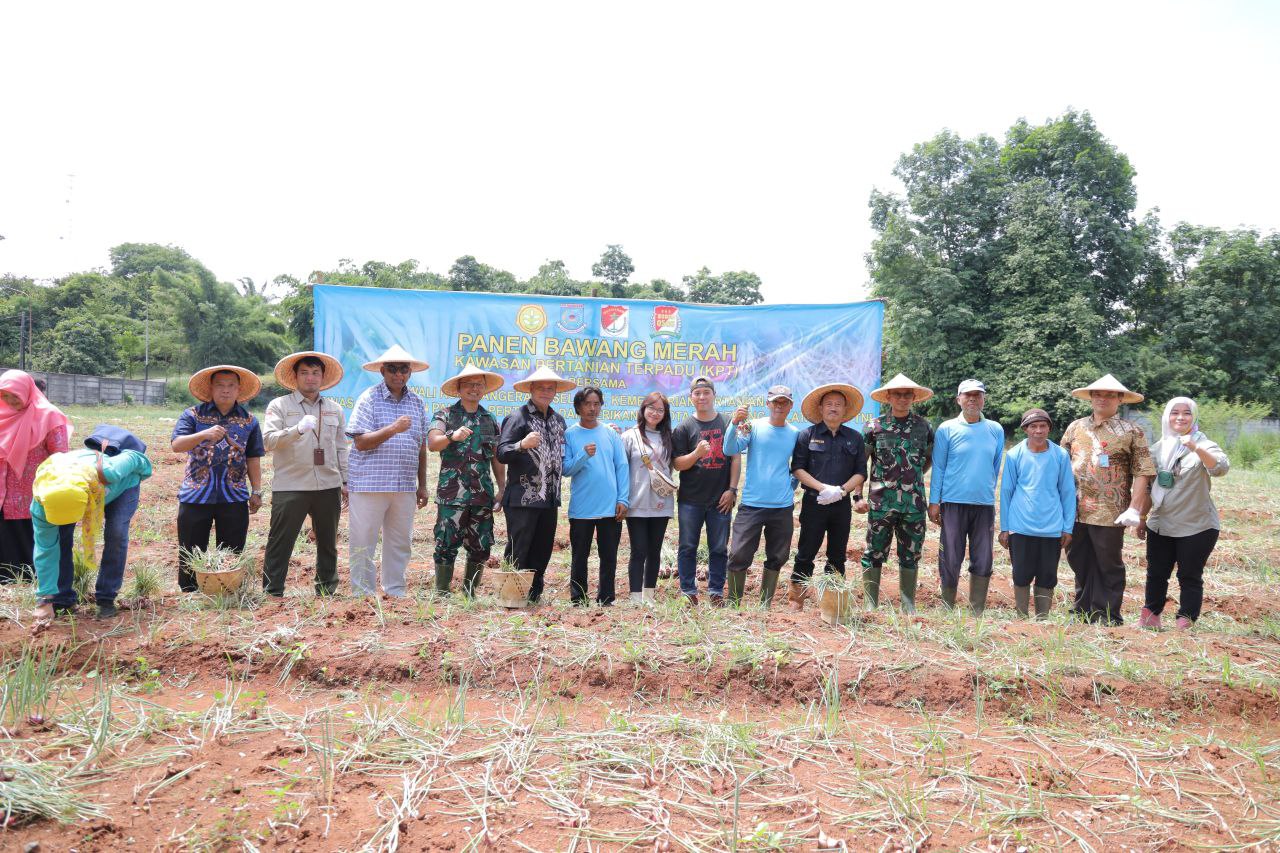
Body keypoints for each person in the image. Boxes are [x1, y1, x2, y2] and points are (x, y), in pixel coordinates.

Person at [30, 426, 152, 627]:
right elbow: (45, 550)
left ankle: (106, 597)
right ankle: (61, 599)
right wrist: (45, 600)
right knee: (60, 538)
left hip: (120, 485)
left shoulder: (110, 471)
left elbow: (135, 456)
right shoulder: (41, 502)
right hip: (72, 489)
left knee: (116, 532)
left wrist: (141, 475)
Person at [1060, 374, 1156, 625]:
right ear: (1091, 398)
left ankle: (1108, 614)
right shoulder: (1075, 427)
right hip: (1076, 507)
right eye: (1098, 394)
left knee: (1108, 561)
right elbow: (1059, 465)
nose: (1103, 398)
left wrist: (1136, 509)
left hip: (1111, 509)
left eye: (1110, 394)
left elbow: (1143, 472)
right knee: (1078, 558)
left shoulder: (1132, 431)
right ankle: (1082, 609)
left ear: (1120, 399)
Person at [345, 345, 430, 598]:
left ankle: (395, 592)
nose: (398, 374)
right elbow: (360, 442)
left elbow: (421, 447)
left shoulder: (417, 402)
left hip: (404, 485)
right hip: (370, 483)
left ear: (410, 373)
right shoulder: (369, 398)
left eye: (403, 369)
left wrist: (422, 484)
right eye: (392, 369)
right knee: (363, 541)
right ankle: (362, 594)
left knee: (400, 542)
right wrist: (393, 428)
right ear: (382, 371)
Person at [261, 351, 349, 598]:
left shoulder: (334, 409)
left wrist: (345, 481)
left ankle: (326, 591)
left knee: (328, 542)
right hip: (291, 484)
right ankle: (272, 592)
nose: (310, 378)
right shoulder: (279, 405)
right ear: (295, 377)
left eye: (315, 373)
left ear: (322, 377)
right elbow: (268, 441)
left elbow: (342, 447)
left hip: (328, 484)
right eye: (305, 373)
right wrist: (296, 430)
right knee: (281, 541)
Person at [171, 365, 264, 593]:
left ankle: (228, 592)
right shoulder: (193, 415)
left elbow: (253, 458)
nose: (225, 391)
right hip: (195, 494)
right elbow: (176, 445)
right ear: (211, 388)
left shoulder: (250, 421)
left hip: (233, 495)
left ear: (239, 389)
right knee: (191, 550)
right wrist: (203, 434)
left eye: (231, 386)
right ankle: (191, 593)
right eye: (220, 385)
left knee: (232, 551)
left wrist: (257, 491)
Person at [1140, 396, 1230, 630]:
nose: (1180, 417)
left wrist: (1195, 448)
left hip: (1196, 524)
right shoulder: (1157, 450)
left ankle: (1185, 621)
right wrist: (1141, 518)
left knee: (1189, 575)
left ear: (1194, 417)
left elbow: (1220, 468)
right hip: (1161, 522)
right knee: (1156, 573)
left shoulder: (1203, 443)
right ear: (1167, 417)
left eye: (1186, 413)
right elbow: (1150, 488)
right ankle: (1150, 617)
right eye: (1174, 412)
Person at [427, 363, 506, 597]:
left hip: (482, 494)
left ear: (484, 389)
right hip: (452, 495)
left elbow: (497, 457)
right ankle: (441, 592)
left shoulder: (489, 419)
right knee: (446, 544)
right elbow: (432, 443)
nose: (474, 389)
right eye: (469, 385)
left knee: (481, 545)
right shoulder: (445, 415)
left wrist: (502, 488)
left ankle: (469, 593)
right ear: (459, 389)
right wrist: (452, 435)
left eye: (478, 385)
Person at [498, 366, 574, 603]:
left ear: (555, 392)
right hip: (522, 497)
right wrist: (521, 445)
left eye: (550, 388)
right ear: (530, 389)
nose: (545, 391)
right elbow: (501, 452)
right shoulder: (518, 417)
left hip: (550, 498)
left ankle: (533, 597)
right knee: (519, 548)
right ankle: (510, 597)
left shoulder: (558, 420)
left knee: (542, 549)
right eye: (540, 387)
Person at [928, 379, 1005, 614]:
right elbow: (938, 467)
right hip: (953, 502)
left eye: (977, 395)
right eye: (967, 395)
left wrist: (984, 489)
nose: (972, 399)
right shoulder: (947, 429)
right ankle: (947, 605)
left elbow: (995, 465)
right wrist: (934, 502)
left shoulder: (995, 429)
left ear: (984, 399)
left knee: (983, 557)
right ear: (958, 399)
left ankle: (976, 609)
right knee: (950, 555)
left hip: (983, 504)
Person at [788, 383, 867, 610]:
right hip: (814, 502)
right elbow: (798, 469)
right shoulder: (807, 435)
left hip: (841, 505)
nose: (834, 408)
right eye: (829, 404)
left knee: (837, 554)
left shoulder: (854, 438)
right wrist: (823, 489)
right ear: (821, 408)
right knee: (806, 551)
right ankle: (797, 599)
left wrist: (841, 491)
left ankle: (832, 602)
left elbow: (861, 471)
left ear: (844, 410)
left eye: (838, 405)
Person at [859, 374, 934, 612]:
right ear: (888, 397)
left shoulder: (924, 427)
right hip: (881, 503)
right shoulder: (874, 427)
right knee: (874, 552)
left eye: (907, 395)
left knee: (911, 552)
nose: (902, 399)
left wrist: (911, 477)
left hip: (913, 504)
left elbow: (928, 460)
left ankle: (907, 604)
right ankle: (871, 603)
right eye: (897, 394)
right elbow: (861, 464)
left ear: (913, 397)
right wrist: (858, 496)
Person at [723, 385, 800, 607]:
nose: (779, 406)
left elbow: (798, 465)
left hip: (782, 506)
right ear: (768, 404)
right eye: (775, 402)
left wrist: (789, 486)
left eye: (784, 402)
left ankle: (765, 603)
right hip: (752, 504)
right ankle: (734, 601)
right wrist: (734, 423)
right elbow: (730, 449)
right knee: (738, 554)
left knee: (778, 555)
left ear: (790, 406)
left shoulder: (795, 434)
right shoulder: (752, 426)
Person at [998, 409, 1076, 619]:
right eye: (1033, 426)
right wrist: (1005, 527)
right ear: (1025, 429)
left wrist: (1067, 528)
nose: (1038, 431)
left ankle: (1042, 618)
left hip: (1051, 527)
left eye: (1043, 426)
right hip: (1020, 525)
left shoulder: (1060, 455)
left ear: (1049, 428)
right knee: (1021, 573)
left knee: (1048, 575)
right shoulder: (1014, 454)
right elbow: (1006, 492)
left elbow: (1067, 492)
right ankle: (1022, 617)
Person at [671, 376, 740, 605]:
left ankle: (716, 592)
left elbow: (736, 458)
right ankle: (688, 591)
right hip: (690, 499)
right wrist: (696, 454)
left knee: (719, 548)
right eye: (697, 393)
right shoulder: (684, 427)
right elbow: (677, 464)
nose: (702, 397)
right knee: (688, 546)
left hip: (720, 499)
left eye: (706, 393)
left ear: (714, 395)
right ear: (691, 397)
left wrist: (732, 489)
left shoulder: (728, 423)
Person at [0, 370, 71, 586]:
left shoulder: (49, 416)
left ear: (27, 390)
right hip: (4, 492)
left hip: (34, 492)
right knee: (6, 537)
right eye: (4, 396)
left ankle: (39, 582)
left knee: (33, 536)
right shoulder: (2, 415)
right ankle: (8, 580)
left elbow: (60, 456)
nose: (10, 401)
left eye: (14, 395)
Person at [563, 387, 629, 605]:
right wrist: (583, 455)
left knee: (608, 557)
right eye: (587, 404)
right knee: (579, 556)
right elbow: (566, 469)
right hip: (582, 508)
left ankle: (607, 598)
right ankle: (578, 598)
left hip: (610, 507)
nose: (592, 408)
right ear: (578, 407)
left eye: (596, 404)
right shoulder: (570, 434)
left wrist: (623, 499)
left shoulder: (610, 433)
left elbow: (622, 466)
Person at [621, 392, 677, 605]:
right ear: (643, 409)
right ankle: (635, 598)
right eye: (651, 408)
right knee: (638, 550)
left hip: (661, 502)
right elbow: (621, 469)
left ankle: (649, 596)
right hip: (636, 502)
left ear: (665, 414)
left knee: (655, 551)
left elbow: (672, 466)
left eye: (660, 410)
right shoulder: (629, 436)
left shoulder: (668, 437)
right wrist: (622, 499)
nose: (655, 413)